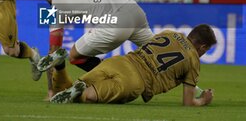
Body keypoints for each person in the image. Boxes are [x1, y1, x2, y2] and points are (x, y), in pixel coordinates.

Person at [31, 0, 179, 98]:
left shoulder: (55, 6)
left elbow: (53, 51)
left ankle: (113, 77)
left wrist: (51, 90)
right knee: (160, 55)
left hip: (115, 24)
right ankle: (196, 91)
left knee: (75, 56)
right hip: (135, 11)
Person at [51, 24, 216, 105]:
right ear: (202, 47)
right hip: (135, 81)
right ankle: (78, 91)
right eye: (206, 50)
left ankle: (60, 67)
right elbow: (188, 102)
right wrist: (203, 101)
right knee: (87, 97)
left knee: (71, 89)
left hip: (119, 61)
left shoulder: (170, 33)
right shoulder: (193, 59)